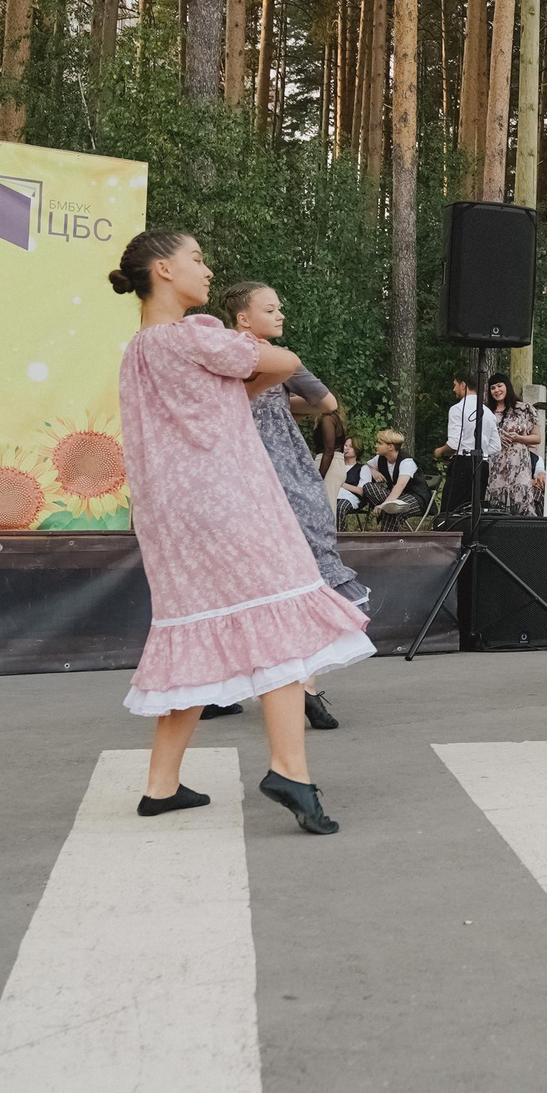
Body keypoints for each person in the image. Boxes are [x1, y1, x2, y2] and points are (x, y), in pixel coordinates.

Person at [107, 230, 367, 836]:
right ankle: (290, 771)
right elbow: (286, 363)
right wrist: (251, 353)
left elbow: (228, 390)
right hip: (230, 501)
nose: (206, 270)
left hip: (171, 517)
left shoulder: (137, 352)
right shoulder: (195, 336)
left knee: (194, 628)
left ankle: (161, 784)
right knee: (280, 618)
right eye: (196, 259)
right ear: (164, 270)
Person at [220, 281, 365, 732]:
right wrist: (282, 399)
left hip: (234, 474)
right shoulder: (280, 360)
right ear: (244, 318)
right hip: (284, 473)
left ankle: (218, 689)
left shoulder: (217, 354)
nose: (280, 314)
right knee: (304, 576)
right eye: (271, 309)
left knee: (239, 580)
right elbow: (328, 403)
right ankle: (306, 687)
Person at [434, 369, 494, 520]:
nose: (454, 389)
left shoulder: (458, 409)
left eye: (455, 385)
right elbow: (495, 446)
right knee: (473, 511)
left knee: (451, 511)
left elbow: (454, 443)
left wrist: (440, 451)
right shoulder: (488, 412)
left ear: (463, 385)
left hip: (463, 463)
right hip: (483, 464)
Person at [484, 375, 542, 515]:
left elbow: (537, 438)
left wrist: (519, 438)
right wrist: (496, 439)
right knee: (497, 506)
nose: (496, 390)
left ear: (507, 386)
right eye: (493, 388)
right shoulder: (487, 412)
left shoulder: (523, 409)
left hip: (519, 466)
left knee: (521, 502)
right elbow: (480, 438)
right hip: (496, 466)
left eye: (499, 386)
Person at [352, 431, 423, 521]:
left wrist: (384, 504)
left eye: (380, 443)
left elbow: (400, 485)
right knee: (368, 487)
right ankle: (387, 509)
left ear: (390, 447)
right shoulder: (380, 458)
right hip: (395, 496)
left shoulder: (406, 462)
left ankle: (385, 511)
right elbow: (368, 465)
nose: (376, 445)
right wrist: (374, 472)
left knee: (391, 509)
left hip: (415, 497)